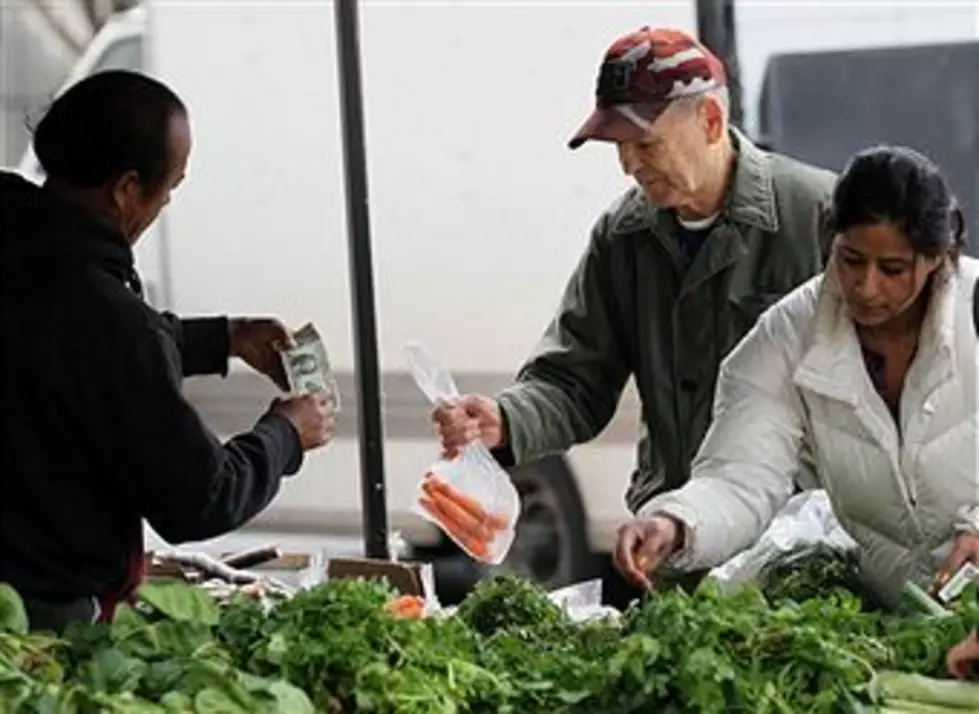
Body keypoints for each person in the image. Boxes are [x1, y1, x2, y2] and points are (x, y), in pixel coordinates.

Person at [432, 26, 835, 577]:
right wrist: (507, 419)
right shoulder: (622, 238)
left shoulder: (817, 216)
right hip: (670, 542)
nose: (629, 164)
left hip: (799, 543)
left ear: (710, 122)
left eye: (645, 143)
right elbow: (575, 379)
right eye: (617, 146)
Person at [0, 70, 334, 632]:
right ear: (126, 189)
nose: (165, 203)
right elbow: (199, 498)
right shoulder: (108, 318)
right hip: (38, 619)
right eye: (170, 187)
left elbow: (74, 347)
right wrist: (285, 435)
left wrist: (225, 337)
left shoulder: (19, 240)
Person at [613, 145, 978, 610]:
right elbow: (739, 477)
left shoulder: (976, 311)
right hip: (909, 617)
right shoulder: (788, 337)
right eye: (851, 260)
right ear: (830, 240)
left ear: (938, 258)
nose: (867, 287)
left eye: (893, 270)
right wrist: (673, 523)